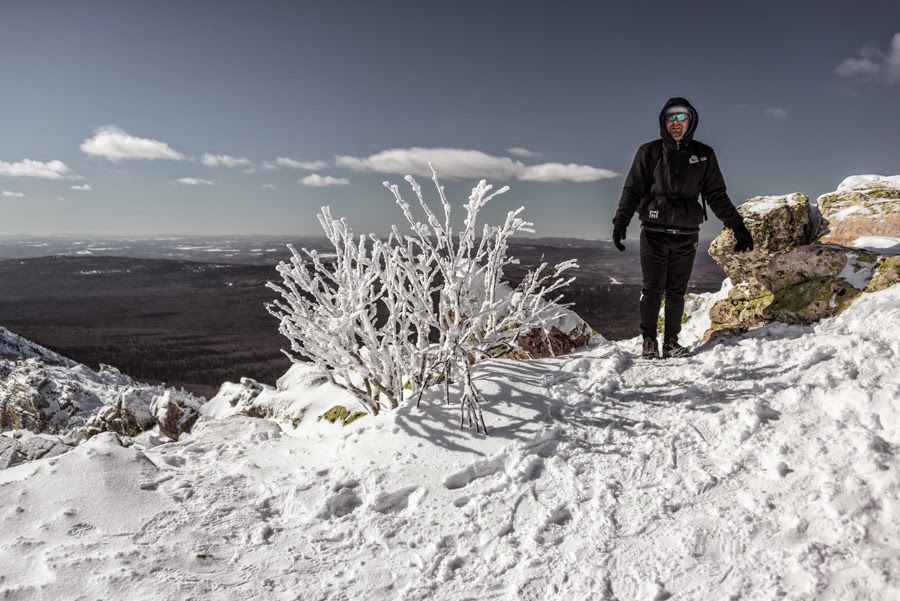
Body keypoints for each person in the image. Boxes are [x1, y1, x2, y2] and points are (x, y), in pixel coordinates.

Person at [612, 96, 753, 359]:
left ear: (691, 120)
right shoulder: (649, 152)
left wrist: (737, 226)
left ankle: (671, 342)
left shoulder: (703, 155)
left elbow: (716, 195)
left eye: (681, 117)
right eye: (670, 118)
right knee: (652, 288)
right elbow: (632, 189)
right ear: (663, 122)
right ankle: (649, 341)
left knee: (676, 291)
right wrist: (621, 221)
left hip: (687, 234)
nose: (676, 123)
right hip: (653, 232)